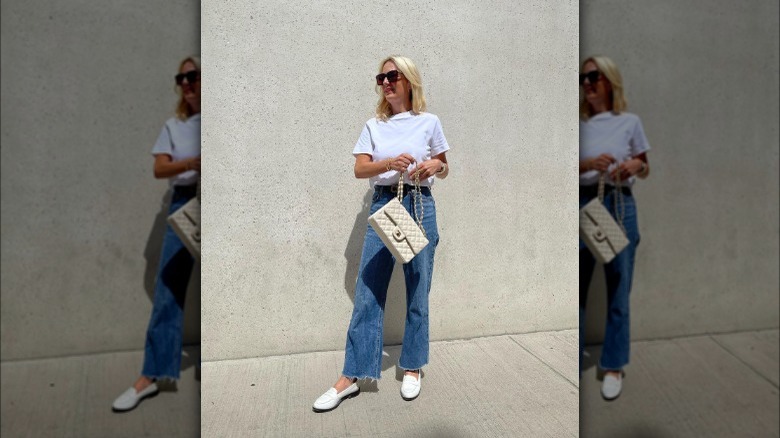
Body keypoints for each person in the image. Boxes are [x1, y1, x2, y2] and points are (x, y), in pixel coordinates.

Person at [313, 55, 451, 412]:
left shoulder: (429, 121)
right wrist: (389, 164)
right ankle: (352, 376)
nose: (386, 82)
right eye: (382, 77)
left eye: (393, 75)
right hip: (384, 205)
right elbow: (361, 169)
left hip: (420, 205)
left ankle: (412, 366)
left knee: (418, 289)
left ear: (409, 81)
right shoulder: (374, 125)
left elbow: (444, 165)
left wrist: (436, 164)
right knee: (368, 291)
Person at [112, 56, 202, 412]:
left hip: (221, 200)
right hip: (185, 203)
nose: (186, 83)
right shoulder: (175, 124)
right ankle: (150, 375)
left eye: (192, 75)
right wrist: (191, 163)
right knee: (168, 287)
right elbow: (159, 167)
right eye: (180, 78)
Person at [578, 55, 650, 401]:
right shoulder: (577, 124)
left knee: (619, 286)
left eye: (594, 76)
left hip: (620, 204)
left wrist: (632, 165)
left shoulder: (629, 121)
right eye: (583, 78)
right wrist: (589, 163)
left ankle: (613, 365)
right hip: (583, 202)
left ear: (609, 80)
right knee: (577, 285)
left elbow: (645, 166)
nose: (588, 83)